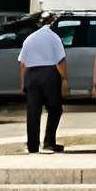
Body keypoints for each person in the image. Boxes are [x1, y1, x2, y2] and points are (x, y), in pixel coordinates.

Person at [17, 18, 68, 154]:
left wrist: (23, 83)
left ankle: (33, 146)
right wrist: (64, 79)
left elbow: (22, 64)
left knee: (33, 112)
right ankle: (49, 142)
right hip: (49, 74)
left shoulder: (29, 39)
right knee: (55, 108)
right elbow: (61, 60)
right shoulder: (54, 37)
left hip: (31, 75)